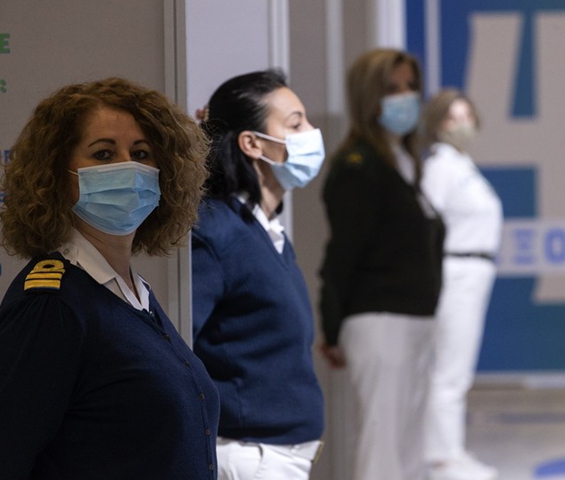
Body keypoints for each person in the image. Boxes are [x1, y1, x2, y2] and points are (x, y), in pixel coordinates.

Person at [0, 77, 218, 479]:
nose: (127, 166)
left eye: (141, 153)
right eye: (103, 153)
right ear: (58, 173)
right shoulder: (51, 304)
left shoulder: (134, 294)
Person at [191, 69, 325, 480]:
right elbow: (176, 345)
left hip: (279, 455)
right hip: (249, 455)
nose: (311, 133)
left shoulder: (263, 229)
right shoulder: (217, 232)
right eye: (295, 124)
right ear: (251, 143)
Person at [318, 48, 445, 480]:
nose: (406, 96)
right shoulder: (359, 167)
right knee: (383, 447)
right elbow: (342, 254)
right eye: (393, 88)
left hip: (414, 319)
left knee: (407, 447)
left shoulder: (405, 163)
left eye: (411, 86)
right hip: (380, 319)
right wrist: (332, 325)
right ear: (369, 96)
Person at [419, 89, 503, 480]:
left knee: (456, 367)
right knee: (449, 370)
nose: (462, 124)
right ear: (436, 124)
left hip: (473, 271)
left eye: (467, 115)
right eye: (452, 117)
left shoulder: (462, 165)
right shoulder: (441, 166)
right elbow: (427, 222)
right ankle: (442, 457)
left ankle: (449, 450)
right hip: (455, 271)